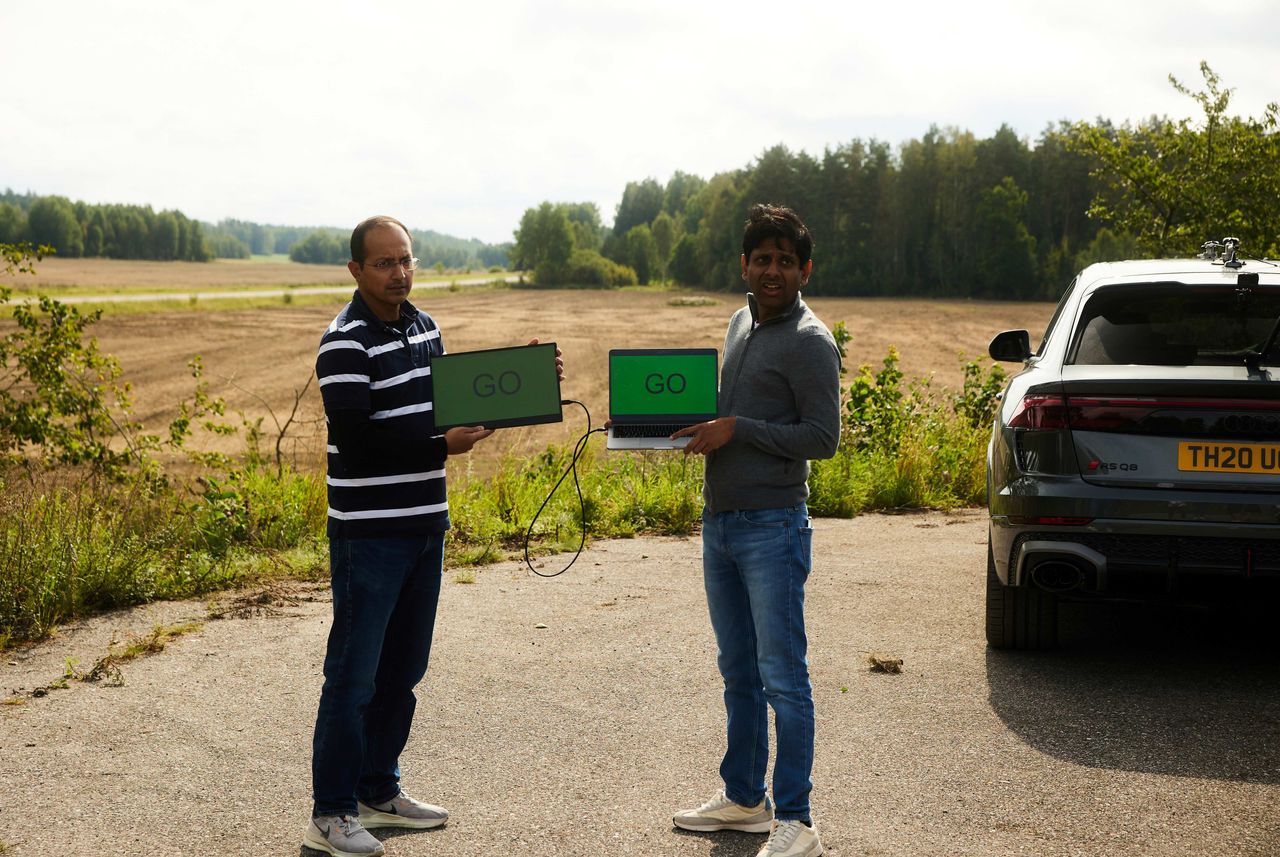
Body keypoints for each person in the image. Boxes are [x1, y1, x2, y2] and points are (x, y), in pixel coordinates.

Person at [304, 215, 560, 857]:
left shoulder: (426, 330)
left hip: (425, 525)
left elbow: (451, 419)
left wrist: (526, 380)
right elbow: (357, 444)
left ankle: (377, 789)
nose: (400, 272)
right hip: (369, 534)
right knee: (353, 675)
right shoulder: (343, 343)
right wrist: (437, 444)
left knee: (404, 670)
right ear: (356, 270)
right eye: (385, 263)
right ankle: (331, 813)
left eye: (407, 260)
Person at [670, 204, 841, 857]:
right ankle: (745, 799)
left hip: (774, 526)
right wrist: (666, 420)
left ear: (803, 269)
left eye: (785, 261)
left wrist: (737, 428)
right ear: (744, 264)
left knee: (782, 675)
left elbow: (822, 438)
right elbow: (727, 411)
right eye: (761, 259)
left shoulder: (811, 340)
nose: (773, 270)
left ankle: (796, 818)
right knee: (737, 669)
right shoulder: (741, 320)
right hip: (722, 522)